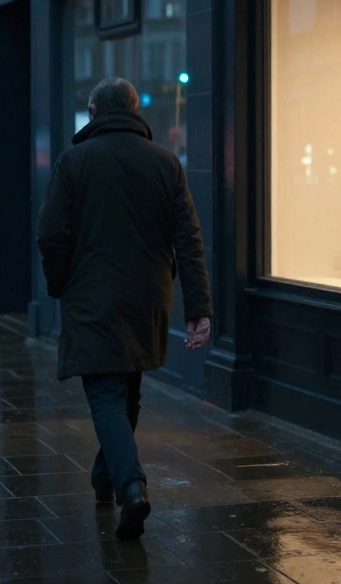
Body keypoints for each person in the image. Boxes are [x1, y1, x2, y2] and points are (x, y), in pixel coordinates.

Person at [36, 77, 212, 540]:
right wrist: (198, 308)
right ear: (134, 111)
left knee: (106, 394)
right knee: (127, 390)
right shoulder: (165, 162)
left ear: (94, 111)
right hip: (148, 296)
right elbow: (189, 240)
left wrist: (60, 284)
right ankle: (105, 476)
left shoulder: (74, 161)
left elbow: (51, 234)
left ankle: (132, 487)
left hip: (92, 295)